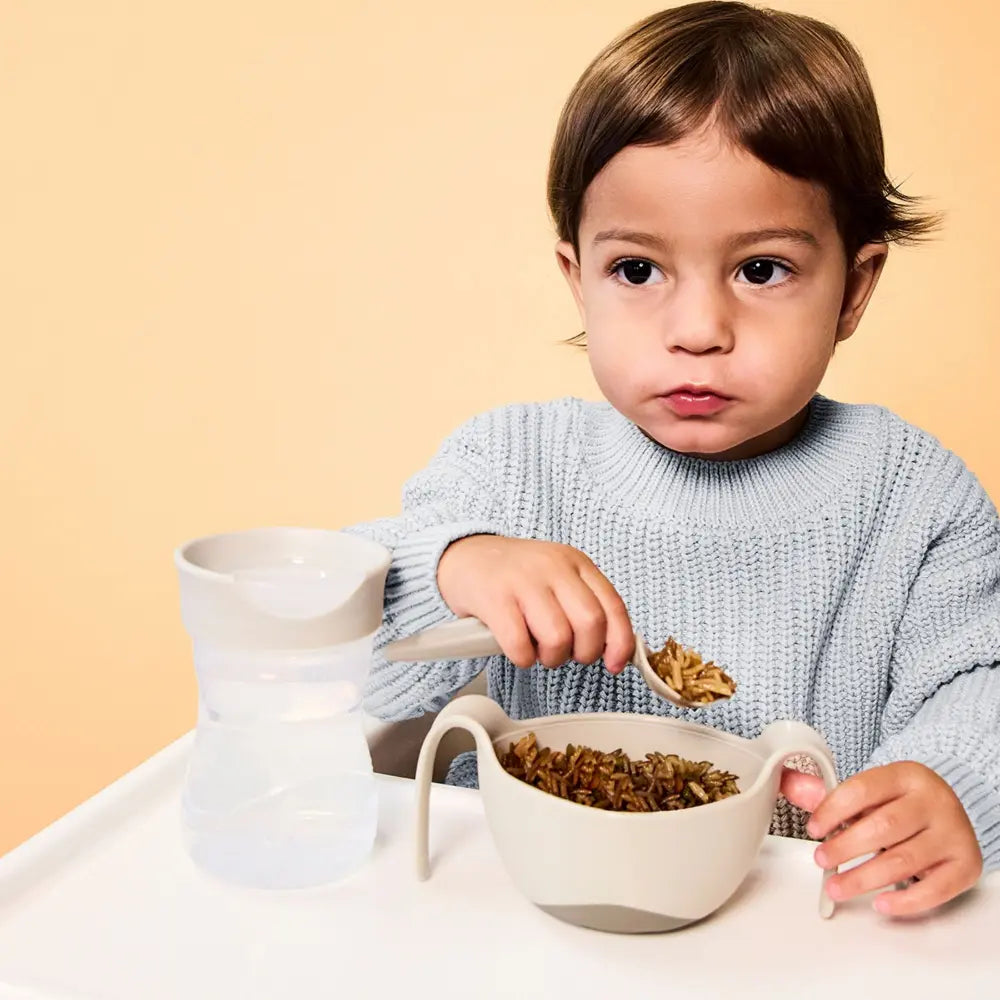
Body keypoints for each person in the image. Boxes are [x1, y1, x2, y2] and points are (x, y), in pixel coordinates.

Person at [345, 1, 999, 916]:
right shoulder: (511, 466)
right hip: (518, 910)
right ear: (577, 276)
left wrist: (954, 788)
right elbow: (342, 634)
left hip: (797, 931)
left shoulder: (917, 498)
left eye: (761, 270)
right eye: (639, 272)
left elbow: (979, 685)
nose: (697, 331)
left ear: (853, 289)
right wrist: (457, 565)